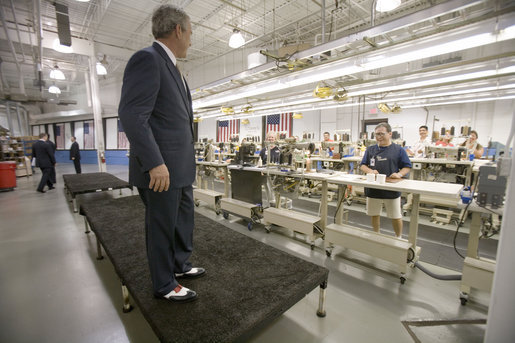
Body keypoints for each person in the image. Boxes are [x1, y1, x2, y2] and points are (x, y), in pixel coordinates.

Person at [118, 4, 203, 303]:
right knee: (161, 226)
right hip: (161, 170)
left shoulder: (174, 68)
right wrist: (154, 162)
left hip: (179, 168)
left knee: (183, 220)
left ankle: (180, 265)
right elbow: (132, 115)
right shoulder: (148, 59)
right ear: (178, 30)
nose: (191, 40)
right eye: (190, 32)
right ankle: (164, 284)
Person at [360, 123, 412, 238]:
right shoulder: (370, 149)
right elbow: (363, 165)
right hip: (373, 187)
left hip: (391, 188)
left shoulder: (398, 150)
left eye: (382, 134)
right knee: (374, 213)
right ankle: (376, 235)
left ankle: (398, 237)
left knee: (395, 215)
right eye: (376, 134)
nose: (379, 136)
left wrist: (399, 174)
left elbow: (407, 166)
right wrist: (370, 171)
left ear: (390, 134)